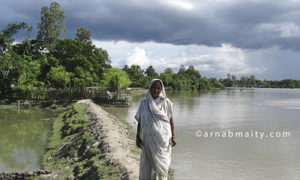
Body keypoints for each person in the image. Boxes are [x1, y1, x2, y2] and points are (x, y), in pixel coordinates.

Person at [135, 79, 176, 180]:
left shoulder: (167, 103)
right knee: (147, 165)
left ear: (161, 89)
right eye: (154, 87)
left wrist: (174, 136)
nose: (156, 90)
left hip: (162, 141)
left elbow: (171, 120)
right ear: (150, 88)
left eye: (158, 88)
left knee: (162, 165)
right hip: (147, 140)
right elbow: (140, 121)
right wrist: (137, 137)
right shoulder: (144, 102)